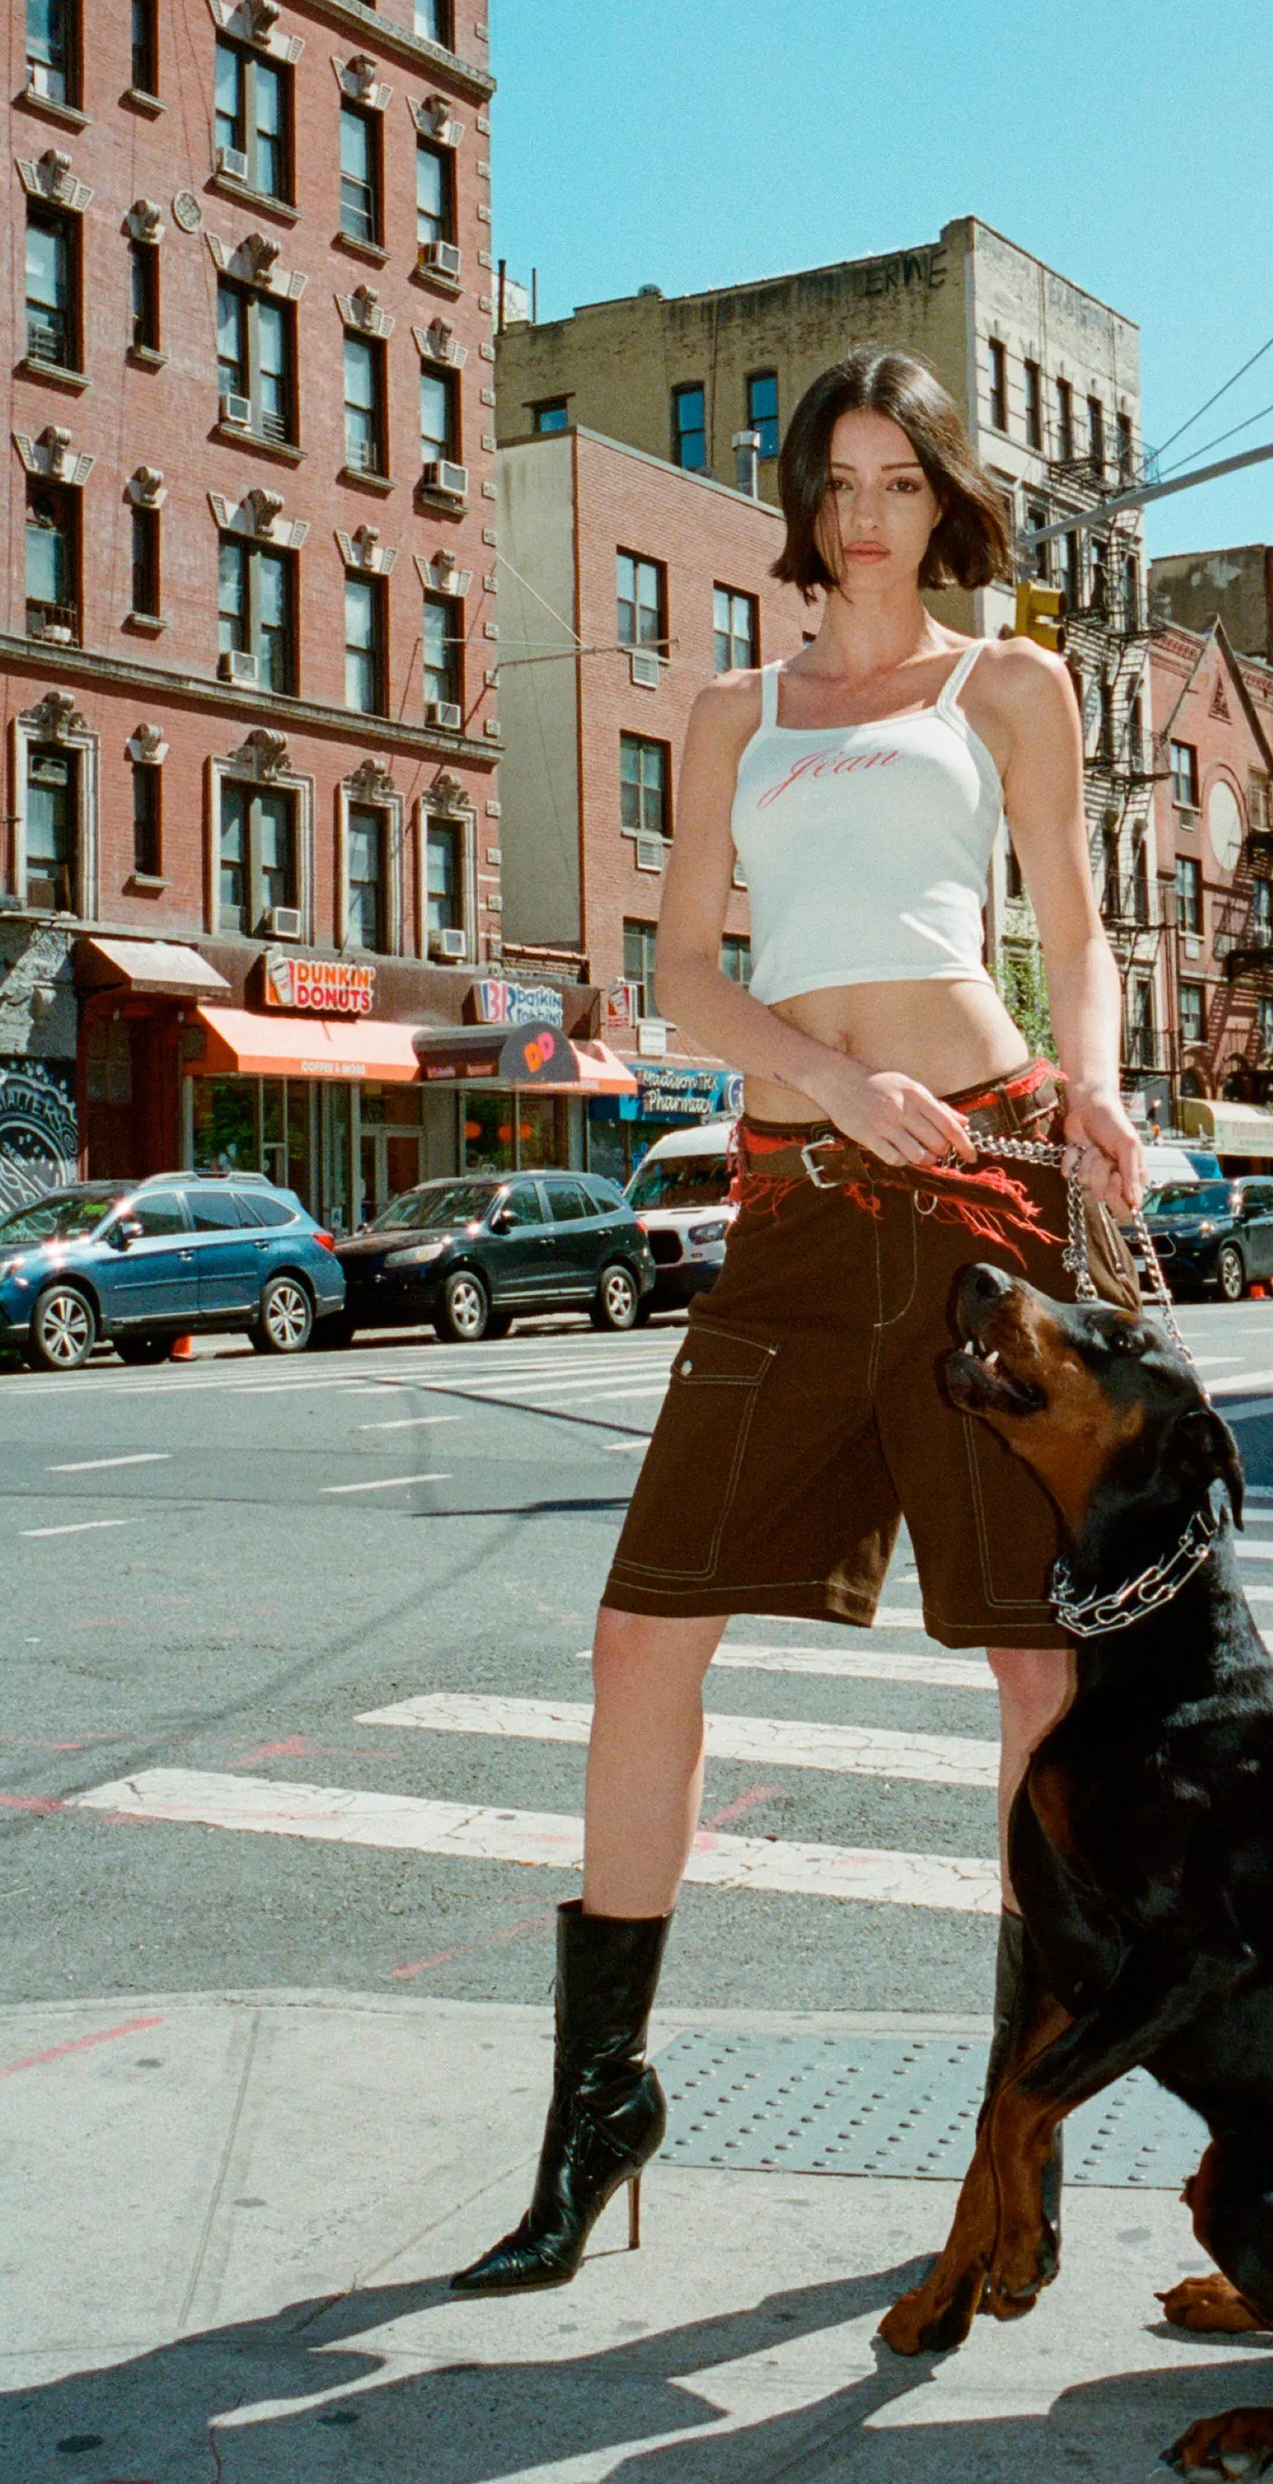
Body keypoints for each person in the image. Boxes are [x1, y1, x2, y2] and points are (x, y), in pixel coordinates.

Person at [451, 348, 1146, 2296]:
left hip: (987, 1190)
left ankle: (1025, 2137)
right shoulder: (730, 704)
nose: (865, 510)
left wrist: (1098, 1094)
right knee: (641, 1628)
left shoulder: (1010, 682)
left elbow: (1070, 935)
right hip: (794, 1202)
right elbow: (683, 977)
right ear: (801, 495)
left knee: (1033, 1682)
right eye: (837, 478)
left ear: (945, 502)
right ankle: (602, 2109)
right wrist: (829, 1090)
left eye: (900, 477)